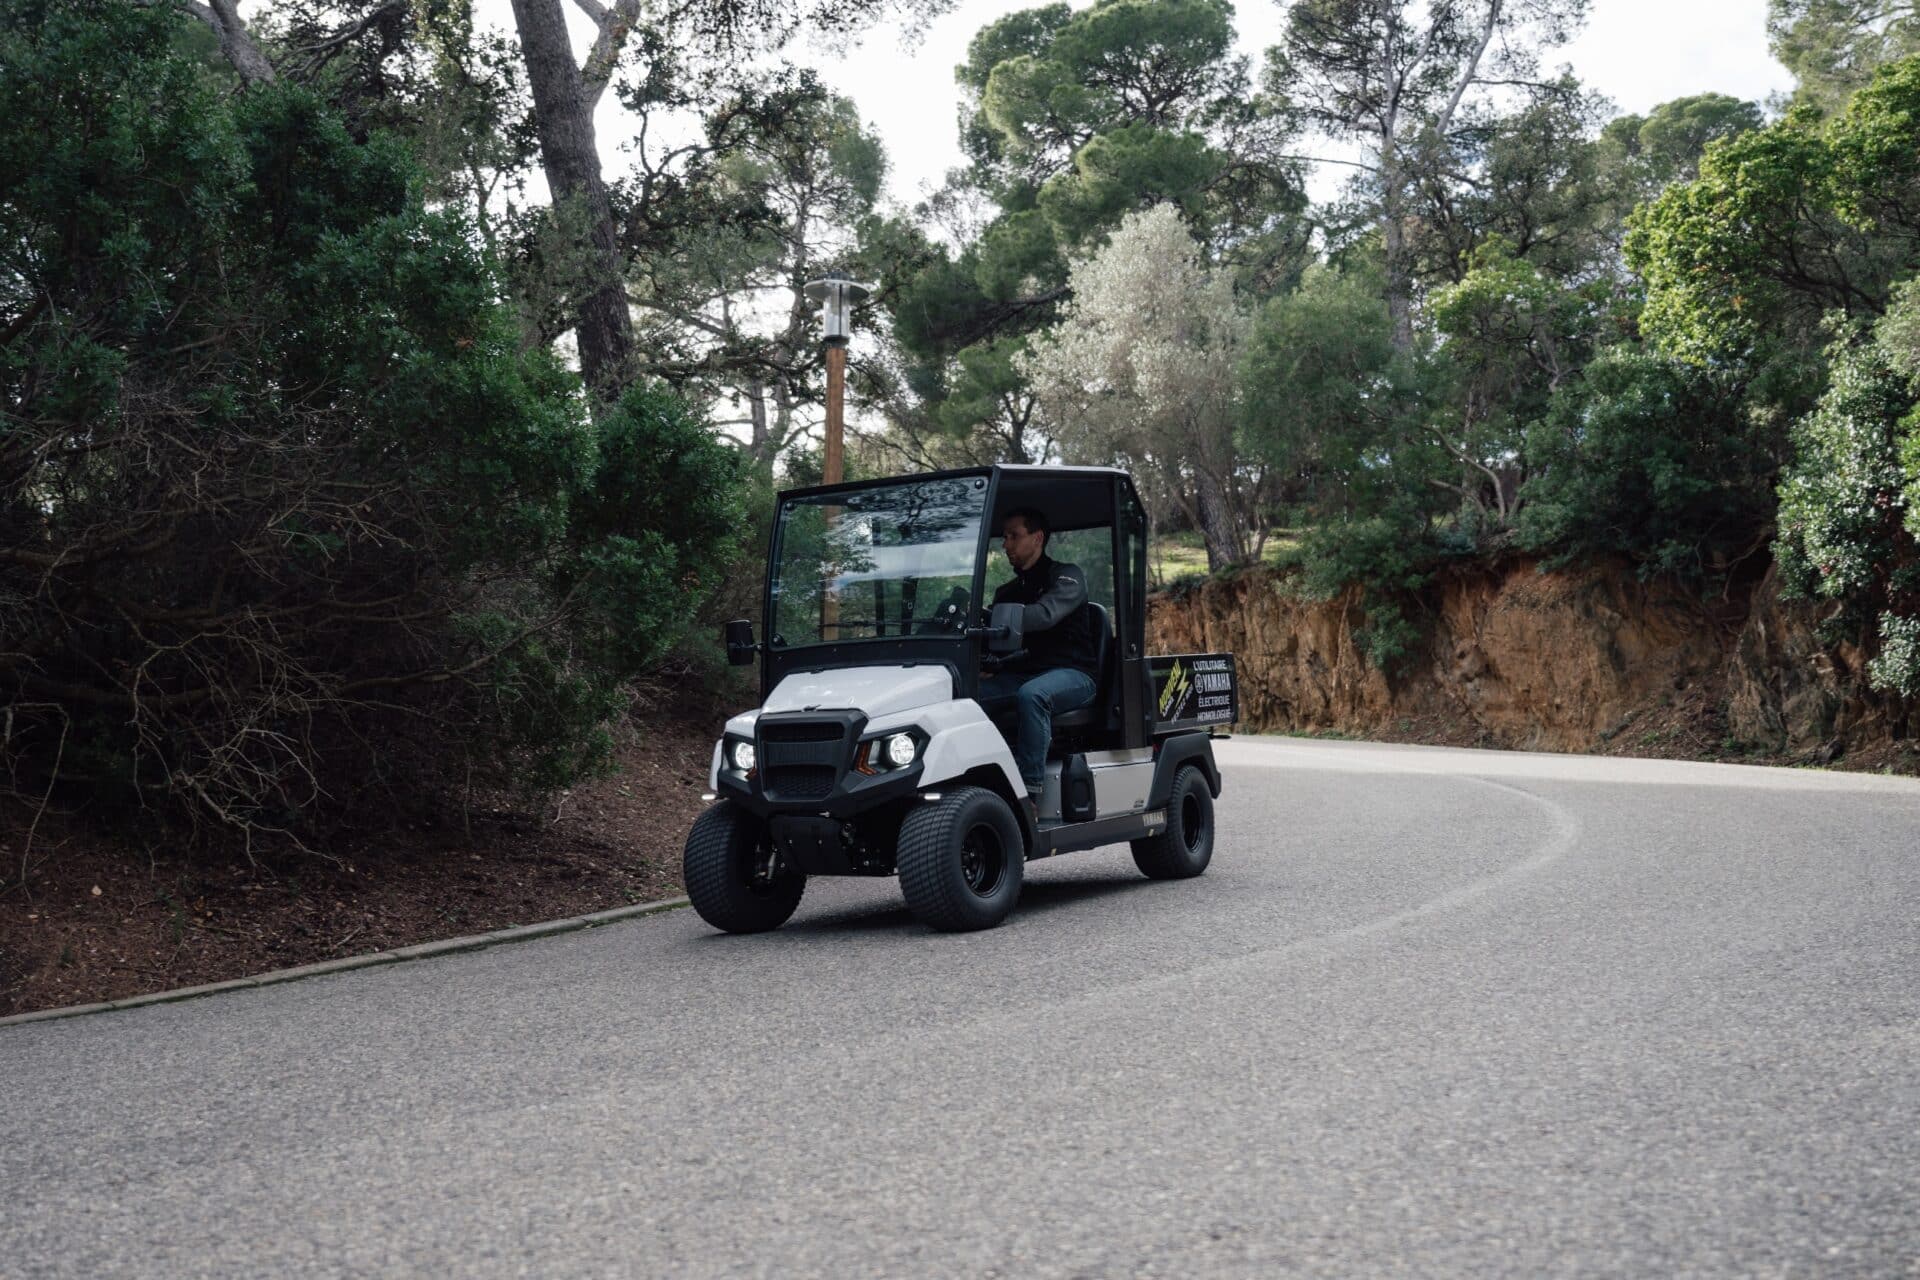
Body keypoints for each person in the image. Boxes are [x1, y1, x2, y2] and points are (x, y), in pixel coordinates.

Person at [977, 507, 1100, 809]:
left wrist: (992, 618)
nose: (1006, 544)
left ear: (1038, 538)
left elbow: (1045, 615)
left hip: (1073, 674)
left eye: (1014, 536)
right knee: (968, 697)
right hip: (1023, 673)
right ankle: (979, 781)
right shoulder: (1006, 591)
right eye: (1004, 537)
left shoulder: (1067, 577)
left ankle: (1027, 794)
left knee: (1032, 696)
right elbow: (997, 642)